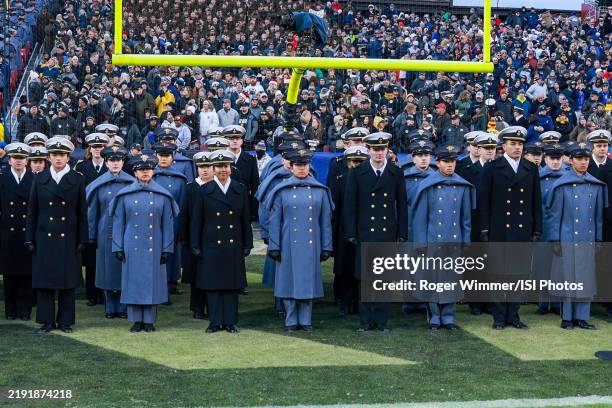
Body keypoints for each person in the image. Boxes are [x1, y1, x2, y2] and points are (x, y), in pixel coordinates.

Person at [478, 126, 542, 330]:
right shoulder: (492, 167)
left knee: (518, 276)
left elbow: (535, 202)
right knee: (498, 276)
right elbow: (484, 201)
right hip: (498, 229)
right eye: (513, 144)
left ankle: (513, 316)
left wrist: (537, 229)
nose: (517, 147)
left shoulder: (531, 168)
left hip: (522, 230)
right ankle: (498, 317)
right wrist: (484, 229)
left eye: (520, 144)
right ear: (503, 146)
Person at [344, 132, 408, 332]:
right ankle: (365, 321)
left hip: (387, 232)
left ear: (387, 149)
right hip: (365, 231)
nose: (379, 153)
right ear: (368, 150)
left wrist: (402, 232)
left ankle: (381, 321)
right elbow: (350, 205)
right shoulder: (357, 172)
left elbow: (402, 205)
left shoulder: (396, 172)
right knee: (365, 278)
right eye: (375, 149)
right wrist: (350, 232)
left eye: (382, 149)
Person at [25, 137, 88, 334]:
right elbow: (32, 212)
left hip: (68, 238)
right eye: (54, 155)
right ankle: (46, 321)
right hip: (44, 237)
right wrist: (29, 238)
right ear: (49, 157)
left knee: (67, 283)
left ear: (68, 157)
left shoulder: (77, 179)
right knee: (45, 283)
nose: (58, 158)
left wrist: (82, 239)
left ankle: (65, 321)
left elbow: (82, 213)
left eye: (62, 155)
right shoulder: (39, 178)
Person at [110, 154, 179, 333]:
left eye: (148, 169)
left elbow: (168, 224)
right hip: (130, 247)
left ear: (153, 171)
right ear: (135, 172)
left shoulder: (163, 195)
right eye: (141, 170)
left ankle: (149, 321)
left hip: (154, 246)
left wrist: (167, 248)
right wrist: (117, 246)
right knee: (133, 283)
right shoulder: (124, 195)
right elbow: (118, 223)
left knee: (152, 284)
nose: (145, 172)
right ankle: (135, 320)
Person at [266, 149, 333, 331]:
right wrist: (274, 245)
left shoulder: (320, 190)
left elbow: (325, 221)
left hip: (311, 245)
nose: (302, 169)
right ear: (292, 167)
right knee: (288, 282)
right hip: (288, 243)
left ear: (309, 166)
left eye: (305, 165)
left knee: (307, 283)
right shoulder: (282, 190)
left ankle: (305, 320)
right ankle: (290, 320)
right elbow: (275, 221)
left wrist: (327, 246)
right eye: (298, 165)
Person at [412, 145, 475, 330]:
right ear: (437, 163)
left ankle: (448, 316)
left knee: (451, 279)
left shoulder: (461, 185)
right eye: (446, 162)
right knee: (432, 279)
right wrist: (420, 243)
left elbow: (465, 218)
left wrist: (466, 240)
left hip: (453, 241)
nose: (450, 165)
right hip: (433, 240)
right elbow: (420, 219)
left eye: (453, 161)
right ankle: (434, 316)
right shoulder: (427, 186)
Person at [190, 150, 253, 334]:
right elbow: (197, 220)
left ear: (231, 168)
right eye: (219, 166)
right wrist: (195, 244)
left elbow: (245, 219)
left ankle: (231, 321)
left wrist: (248, 243)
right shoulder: (204, 191)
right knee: (213, 285)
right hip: (210, 244)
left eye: (226, 166)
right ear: (214, 169)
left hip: (233, 244)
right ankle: (215, 321)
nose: (223, 170)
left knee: (231, 285)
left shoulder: (239, 189)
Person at [546, 143, 606, 330]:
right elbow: (554, 216)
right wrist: (554, 239)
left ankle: (582, 317)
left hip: (587, 239)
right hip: (568, 237)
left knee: (585, 278)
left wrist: (598, 238)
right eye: (579, 159)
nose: (583, 162)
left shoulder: (595, 185)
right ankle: (567, 317)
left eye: (586, 159)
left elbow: (598, 218)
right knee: (568, 277)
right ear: (571, 160)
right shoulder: (562, 184)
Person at [85, 146, 135, 319]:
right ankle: (110, 306)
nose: (115, 163)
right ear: (106, 162)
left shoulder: (132, 183)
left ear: (123, 162)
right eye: (112, 160)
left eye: (118, 160)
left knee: (124, 270)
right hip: (105, 233)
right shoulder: (98, 185)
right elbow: (92, 213)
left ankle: (122, 307)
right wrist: (91, 235)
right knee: (106, 271)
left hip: (127, 233)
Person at [329, 146, 369, 317]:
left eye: (361, 161)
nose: (357, 164)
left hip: (366, 230)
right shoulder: (339, 180)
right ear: (347, 163)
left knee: (364, 269)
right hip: (343, 230)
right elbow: (333, 209)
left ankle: (361, 303)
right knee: (344, 269)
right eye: (354, 161)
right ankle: (344, 304)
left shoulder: (372, 179)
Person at [75, 132, 110, 307]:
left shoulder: (111, 166)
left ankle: (105, 293)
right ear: (90, 148)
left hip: (106, 217)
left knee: (105, 258)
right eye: (94, 147)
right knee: (90, 260)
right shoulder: (82, 168)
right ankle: (91, 295)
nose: (97, 150)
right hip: (88, 218)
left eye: (101, 147)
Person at [0, 143, 34, 320]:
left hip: (27, 234)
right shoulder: (2, 179)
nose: (18, 161)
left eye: (21, 158)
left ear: (26, 160)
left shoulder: (35, 179)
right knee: (10, 275)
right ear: (9, 160)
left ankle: (24, 310)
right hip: (7, 233)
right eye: (15, 158)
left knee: (26, 275)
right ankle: (10, 310)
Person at [152, 142, 188, 300]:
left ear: (173, 157)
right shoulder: (149, 174)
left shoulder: (180, 178)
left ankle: (172, 283)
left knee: (173, 254)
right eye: (161, 155)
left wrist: (180, 226)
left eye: (167, 156)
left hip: (173, 222)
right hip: (153, 221)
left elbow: (182, 204)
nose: (164, 159)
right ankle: (157, 285)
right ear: (156, 156)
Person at [181, 152, 213, 320]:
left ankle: (212, 306)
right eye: (201, 167)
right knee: (196, 277)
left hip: (212, 239)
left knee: (213, 274)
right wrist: (185, 240)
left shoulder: (217, 187)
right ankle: (197, 308)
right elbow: (184, 215)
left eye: (207, 167)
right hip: (194, 240)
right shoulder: (191, 188)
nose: (205, 170)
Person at [534, 143, 565, 315]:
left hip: (562, 228)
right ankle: (543, 302)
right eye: (552, 158)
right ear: (545, 159)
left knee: (560, 268)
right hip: (544, 229)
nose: (555, 162)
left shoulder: (568, 178)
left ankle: (557, 303)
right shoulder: (537, 178)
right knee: (543, 266)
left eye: (558, 158)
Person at [224, 125, 260, 221]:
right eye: (231, 138)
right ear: (226, 140)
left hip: (244, 204)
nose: (235, 141)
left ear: (242, 141)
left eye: (238, 138)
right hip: (223, 203)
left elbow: (254, 185)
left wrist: (253, 209)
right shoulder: (220, 159)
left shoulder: (250, 159)